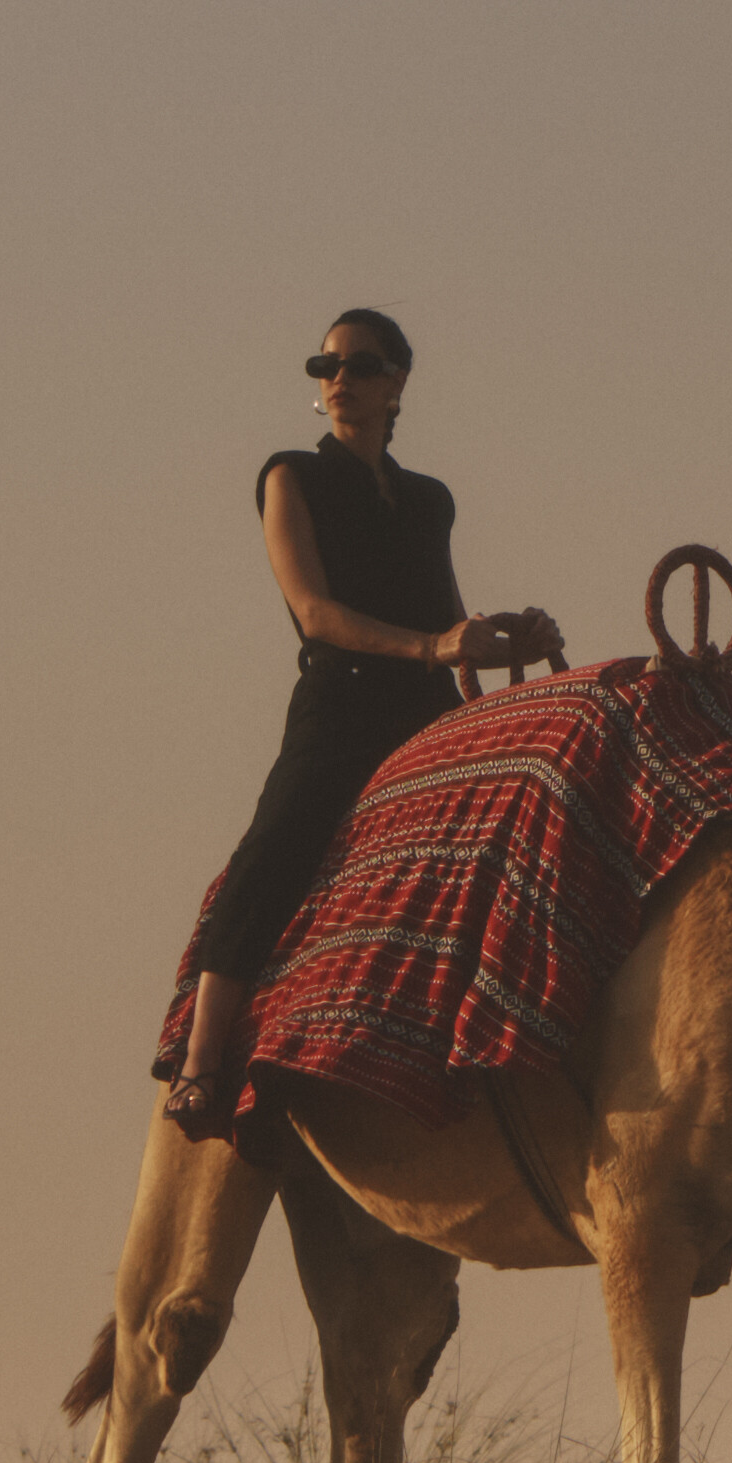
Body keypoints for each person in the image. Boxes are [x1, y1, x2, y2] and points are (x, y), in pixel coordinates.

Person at [170, 308, 536, 1135]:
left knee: (525, 820)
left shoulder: (428, 500)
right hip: (342, 704)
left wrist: (509, 637)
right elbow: (315, 613)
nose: (339, 380)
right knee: (274, 848)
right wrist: (435, 645)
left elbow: (448, 622)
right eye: (325, 366)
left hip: (423, 711)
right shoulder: (291, 477)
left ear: (397, 381)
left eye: (359, 366)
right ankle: (199, 1064)